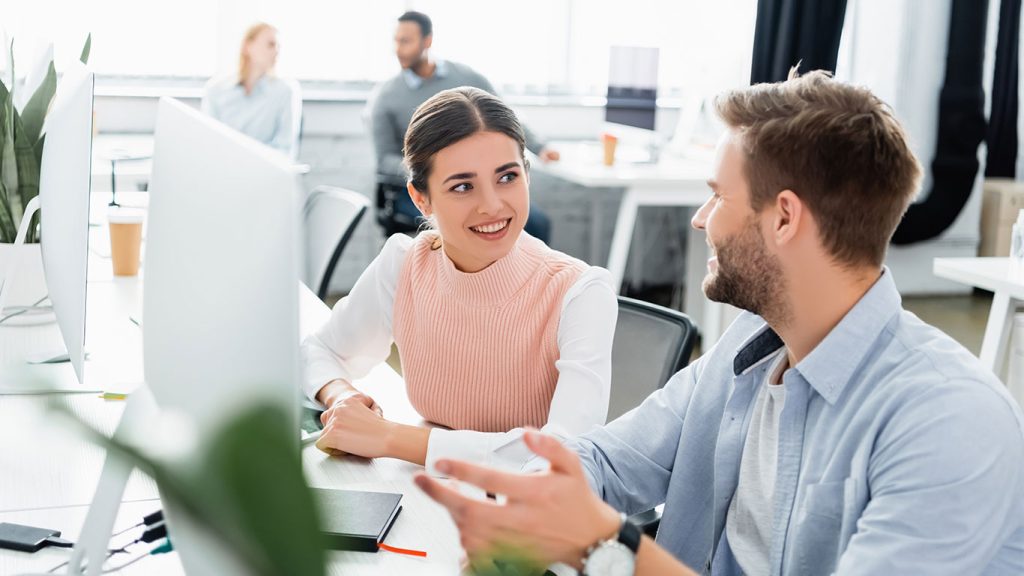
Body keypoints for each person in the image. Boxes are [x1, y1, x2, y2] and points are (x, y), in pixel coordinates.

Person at [415, 70, 1024, 575]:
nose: (701, 219)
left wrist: (604, 543)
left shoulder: (949, 422)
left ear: (784, 218)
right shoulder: (750, 352)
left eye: (718, 196)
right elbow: (607, 461)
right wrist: (530, 508)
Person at [303, 87, 616, 476]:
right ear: (421, 199)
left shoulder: (581, 292)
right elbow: (320, 350)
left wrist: (388, 438)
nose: (492, 205)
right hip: (431, 493)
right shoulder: (405, 264)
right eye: (463, 186)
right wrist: (342, 398)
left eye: (507, 177)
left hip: (527, 514)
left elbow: (564, 453)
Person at [369, 11, 558, 242]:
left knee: (537, 224)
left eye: (405, 41)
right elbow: (384, 159)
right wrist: (432, 169)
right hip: (421, 187)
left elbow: (504, 118)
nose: (398, 48)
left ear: (427, 41)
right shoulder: (385, 97)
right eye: (396, 41)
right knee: (465, 223)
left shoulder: (468, 77)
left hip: (482, 179)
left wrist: (540, 147)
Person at [201, 22, 301, 159]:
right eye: (271, 44)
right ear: (248, 46)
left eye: (279, 46)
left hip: (266, 172)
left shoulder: (285, 91)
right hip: (224, 169)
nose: (277, 51)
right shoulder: (215, 90)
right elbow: (208, 142)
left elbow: (285, 148)